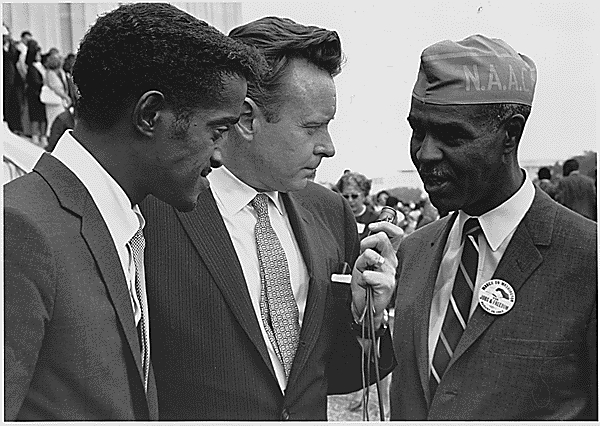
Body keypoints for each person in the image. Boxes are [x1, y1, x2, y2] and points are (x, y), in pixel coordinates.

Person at [4, 3, 264, 421]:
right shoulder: (19, 228)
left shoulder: (123, 223)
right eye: (217, 131)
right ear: (150, 115)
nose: (219, 157)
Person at [141, 16, 400, 421]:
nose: (328, 148)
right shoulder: (152, 215)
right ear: (246, 118)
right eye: (312, 127)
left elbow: (331, 375)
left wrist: (366, 318)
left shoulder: (330, 214)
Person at [390, 35, 597, 420]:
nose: (424, 153)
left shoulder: (589, 260)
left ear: (511, 135)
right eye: (418, 130)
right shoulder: (413, 252)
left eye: (451, 136)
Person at [336, 171, 379, 239]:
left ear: (364, 195)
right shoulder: (336, 218)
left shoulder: (375, 219)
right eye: (346, 196)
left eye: (354, 196)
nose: (350, 200)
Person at [24, 40, 47, 147]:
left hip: (42, 94)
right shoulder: (32, 67)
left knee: (42, 116)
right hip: (34, 94)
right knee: (35, 116)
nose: (39, 56)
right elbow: (35, 82)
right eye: (37, 54)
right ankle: (35, 136)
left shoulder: (41, 66)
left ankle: (43, 136)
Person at [43, 53, 72, 136]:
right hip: (55, 101)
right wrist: (66, 97)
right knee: (54, 120)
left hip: (61, 100)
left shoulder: (60, 72)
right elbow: (56, 88)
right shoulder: (50, 74)